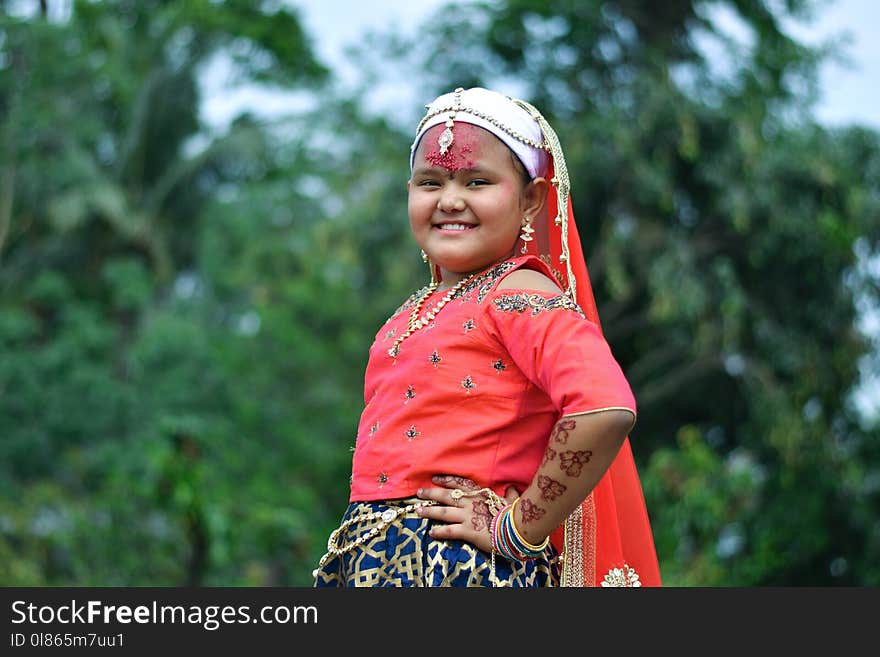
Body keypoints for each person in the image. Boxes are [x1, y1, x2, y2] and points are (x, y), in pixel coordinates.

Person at [313, 87, 661, 587]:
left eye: (477, 181)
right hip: (370, 565)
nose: (450, 200)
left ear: (531, 200)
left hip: (463, 571)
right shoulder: (411, 311)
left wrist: (518, 529)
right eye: (430, 181)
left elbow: (603, 407)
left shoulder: (518, 292)